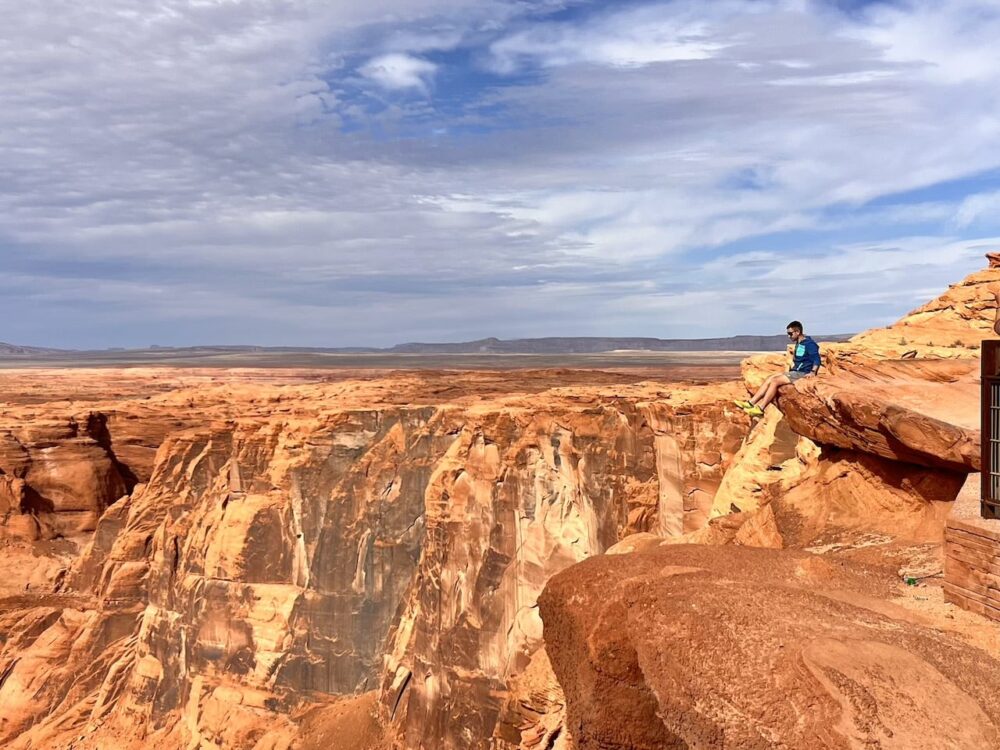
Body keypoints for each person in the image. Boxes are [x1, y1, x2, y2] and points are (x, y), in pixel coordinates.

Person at [735, 321, 821, 418]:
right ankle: (751, 403)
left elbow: (816, 359)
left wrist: (813, 372)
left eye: (790, 333)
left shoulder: (809, 344)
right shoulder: (799, 342)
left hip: (802, 373)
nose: (789, 336)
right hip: (795, 371)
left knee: (775, 381)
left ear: (797, 332)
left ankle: (760, 408)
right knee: (770, 378)